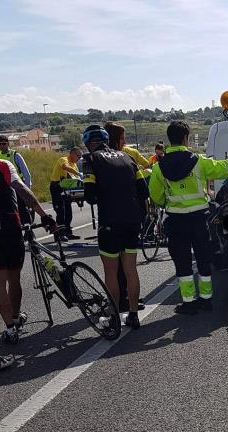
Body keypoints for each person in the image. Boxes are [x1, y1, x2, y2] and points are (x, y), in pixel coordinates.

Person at [148, 121, 228, 313]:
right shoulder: (198, 161)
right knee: (203, 258)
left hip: (176, 219)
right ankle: (206, 300)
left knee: (182, 261)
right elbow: (221, 169)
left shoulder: (158, 167)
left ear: (170, 139)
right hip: (199, 219)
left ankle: (189, 302)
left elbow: (155, 195)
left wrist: (168, 202)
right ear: (186, 138)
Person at [82, 125, 149, 329]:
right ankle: (134, 315)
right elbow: (143, 191)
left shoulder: (90, 160)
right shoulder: (127, 157)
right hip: (132, 221)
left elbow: (90, 196)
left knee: (111, 272)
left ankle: (114, 317)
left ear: (88, 143)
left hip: (110, 222)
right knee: (130, 269)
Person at [0, 158, 56, 346]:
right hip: (10, 226)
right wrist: (44, 216)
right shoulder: (3, 164)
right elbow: (22, 190)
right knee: (14, 278)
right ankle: (15, 317)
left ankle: (10, 329)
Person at [0, 135, 33, 224]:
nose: (1, 146)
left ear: (8, 144)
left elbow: (26, 174)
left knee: (22, 209)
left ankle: (29, 231)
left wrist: (27, 191)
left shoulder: (15, 155)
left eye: (3, 144)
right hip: (4, 188)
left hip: (17, 186)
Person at [50, 147, 82, 241]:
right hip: (57, 187)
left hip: (66, 187)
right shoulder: (63, 159)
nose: (79, 158)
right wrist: (77, 173)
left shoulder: (74, 164)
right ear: (72, 154)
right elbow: (65, 167)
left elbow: (75, 178)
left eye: (80, 156)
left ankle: (68, 233)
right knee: (60, 212)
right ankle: (59, 234)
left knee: (68, 212)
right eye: (78, 156)